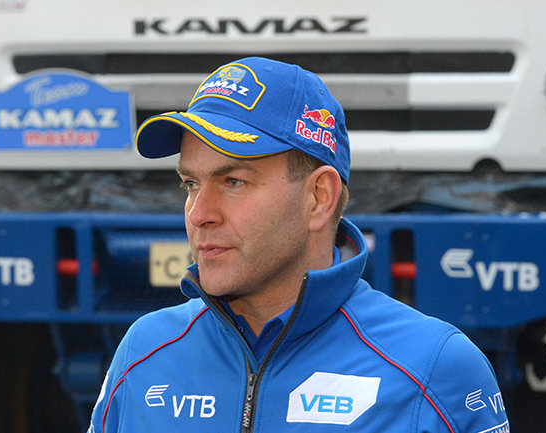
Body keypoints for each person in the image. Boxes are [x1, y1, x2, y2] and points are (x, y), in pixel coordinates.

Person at [88, 57, 509, 433]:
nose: (199, 214)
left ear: (318, 198)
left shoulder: (434, 370)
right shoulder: (143, 353)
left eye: (233, 181)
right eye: (191, 184)